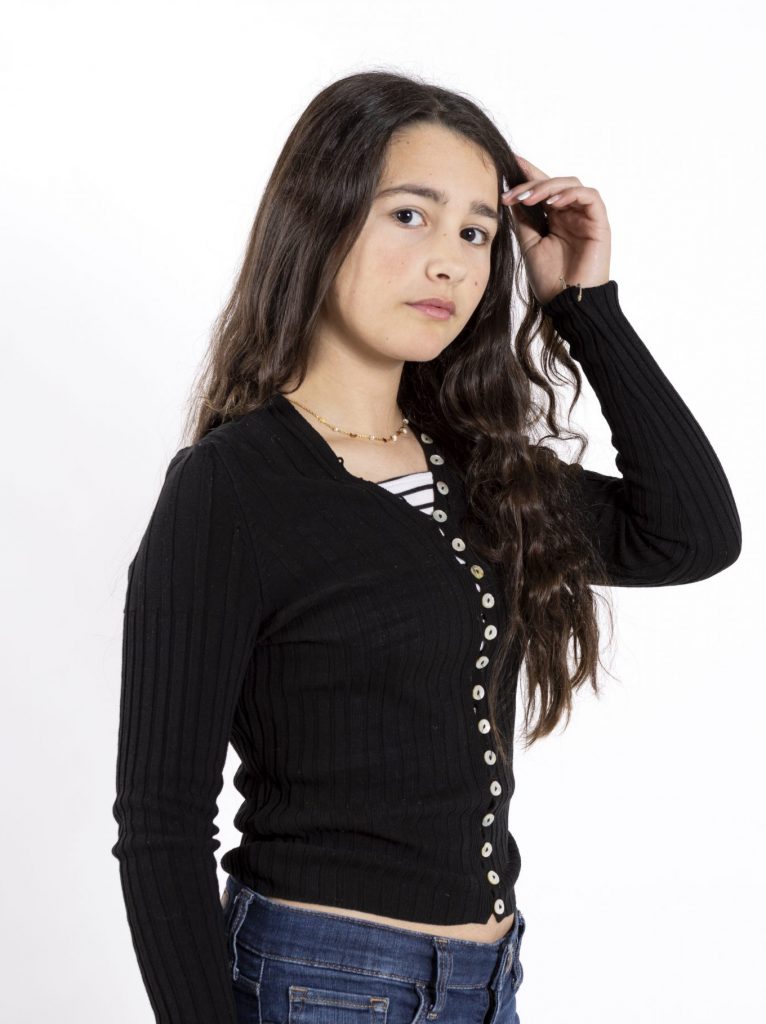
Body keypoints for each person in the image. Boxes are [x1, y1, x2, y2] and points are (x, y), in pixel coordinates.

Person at [110, 70, 742, 1024]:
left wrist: (585, 307)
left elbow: (690, 536)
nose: (449, 262)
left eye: (477, 233)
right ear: (318, 220)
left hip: (487, 987)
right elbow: (161, 824)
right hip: (320, 984)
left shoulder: (482, 471)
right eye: (410, 216)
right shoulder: (232, 487)